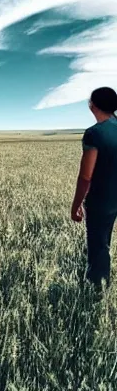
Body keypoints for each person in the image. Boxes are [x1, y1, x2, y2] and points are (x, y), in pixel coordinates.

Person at [71, 87, 117, 295]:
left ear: (93, 106)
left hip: (102, 200)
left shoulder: (93, 134)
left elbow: (86, 176)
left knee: (99, 247)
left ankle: (96, 293)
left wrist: (76, 204)